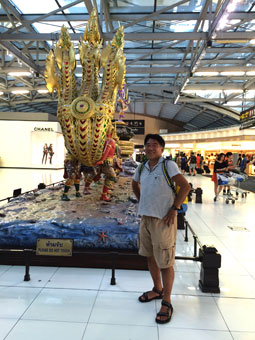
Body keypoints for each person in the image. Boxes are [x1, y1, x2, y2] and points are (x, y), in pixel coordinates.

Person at [132, 134, 190, 324]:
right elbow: (134, 183)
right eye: (147, 145)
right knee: (150, 256)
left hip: (163, 220)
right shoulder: (142, 166)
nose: (150, 148)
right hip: (146, 218)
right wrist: (142, 201)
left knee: (165, 261)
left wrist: (174, 209)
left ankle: (167, 300)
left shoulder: (168, 165)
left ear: (162, 148)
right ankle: (157, 289)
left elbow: (185, 186)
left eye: (154, 145)